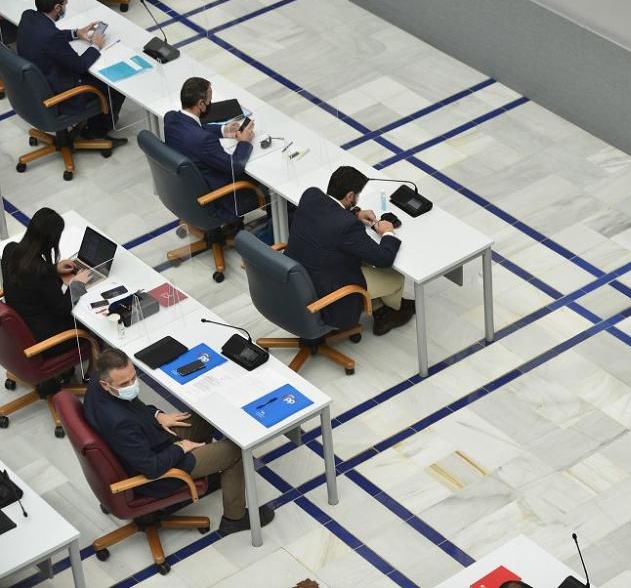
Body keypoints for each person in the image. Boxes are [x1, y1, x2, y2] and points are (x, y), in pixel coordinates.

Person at [83, 348, 274, 535]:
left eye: (134, 377)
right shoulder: (119, 423)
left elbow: (133, 408)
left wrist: (157, 414)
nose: (132, 384)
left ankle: (205, 472)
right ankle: (235, 519)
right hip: (159, 471)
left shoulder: (98, 382)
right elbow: (152, 468)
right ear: (105, 385)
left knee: (206, 414)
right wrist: (181, 447)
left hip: (150, 440)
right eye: (125, 383)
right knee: (236, 450)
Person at [285, 166, 415, 336]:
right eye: (358, 196)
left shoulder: (311, 195)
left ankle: (378, 306)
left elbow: (326, 220)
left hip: (297, 282)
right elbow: (383, 259)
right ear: (350, 196)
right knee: (395, 278)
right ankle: (390, 313)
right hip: (329, 298)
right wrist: (388, 232)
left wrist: (355, 214)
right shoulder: (347, 226)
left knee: (359, 259)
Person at [17, 0, 125, 142]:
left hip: (33, 89)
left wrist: (76, 33)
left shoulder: (28, 16)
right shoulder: (51, 37)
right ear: (57, 8)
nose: (66, 6)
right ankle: (96, 131)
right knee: (113, 85)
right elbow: (80, 65)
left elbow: (47, 36)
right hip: (57, 93)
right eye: (65, 3)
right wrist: (96, 45)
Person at [163, 77, 260, 224]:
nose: (210, 104)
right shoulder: (204, 140)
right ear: (201, 104)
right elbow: (234, 166)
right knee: (264, 184)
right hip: (218, 199)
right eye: (209, 100)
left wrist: (223, 130)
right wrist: (244, 142)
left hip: (184, 194)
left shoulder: (170, 119)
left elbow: (192, 128)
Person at [0, 207, 92, 357]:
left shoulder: (10, 250)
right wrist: (77, 284)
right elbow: (62, 309)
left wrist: (54, 269)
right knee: (92, 328)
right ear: (51, 240)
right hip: (47, 340)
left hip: (23, 331)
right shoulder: (41, 273)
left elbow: (29, 275)